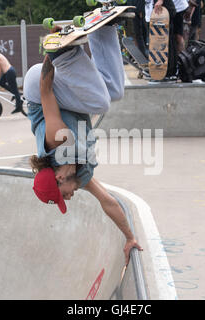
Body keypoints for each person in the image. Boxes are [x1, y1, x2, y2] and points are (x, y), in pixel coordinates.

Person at [23, 25, 143, 265]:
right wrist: (129, 237)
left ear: (59, 179)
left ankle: (63, 52)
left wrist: (53, 48)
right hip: (64, 100)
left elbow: (46, 91)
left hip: (40, 86)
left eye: (63, 196)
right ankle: (105, 31)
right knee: (114, 92)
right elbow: (107, 201)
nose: (69, 198)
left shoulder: (56, 140)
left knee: (100, 102)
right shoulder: (80, 175)